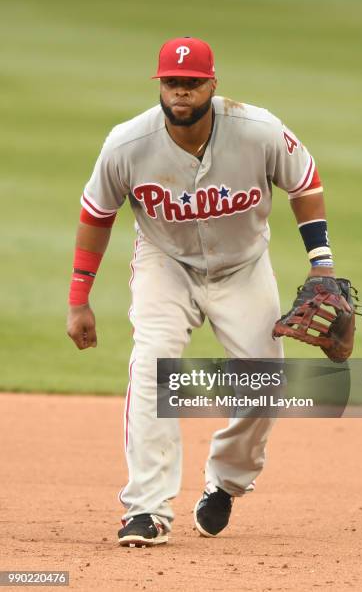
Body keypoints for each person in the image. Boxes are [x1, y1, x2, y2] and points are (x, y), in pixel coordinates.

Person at [67, 36, 334, 547]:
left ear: (213, 84)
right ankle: (146, 508)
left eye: (192, 83)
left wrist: (322, 263)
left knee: (265, 381)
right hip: (165, 263)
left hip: (244, 266)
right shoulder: (126, 144)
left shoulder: (259, 130)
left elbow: (305, 182)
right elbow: (95, 215)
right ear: (159, 86)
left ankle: (225, 482)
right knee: (153, 363)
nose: (181, 93)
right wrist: (79, 298)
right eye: (172, 83)